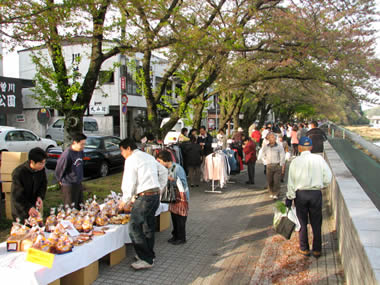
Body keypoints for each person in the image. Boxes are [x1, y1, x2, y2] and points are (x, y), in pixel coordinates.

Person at [118, 138, 168, 270]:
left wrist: (125, 201)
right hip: (154, 195)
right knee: (148, 226)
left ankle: (146, 258)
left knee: (134, 227)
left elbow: (129, 181)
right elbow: (164, 171)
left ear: (128, 148)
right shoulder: (148, 156)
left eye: (122, 151)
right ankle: (148, 255)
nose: (122, 154)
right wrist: (160, 188)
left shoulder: (131, 159)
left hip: (145, 197)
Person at [285, 137, 332, 258]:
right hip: (315, 193)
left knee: (302, 222)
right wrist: (323, 185)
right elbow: (328, 177)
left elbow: (291, 182)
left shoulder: (295, 162)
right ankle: (317, 250)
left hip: (301, 194)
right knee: (316, 222)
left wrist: (290, 197)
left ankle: (304, 248)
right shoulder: (319, 159)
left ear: (299, 148)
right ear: (311, 147)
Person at [157, 150, 190, 245]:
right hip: (173, 197)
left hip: (181, 197)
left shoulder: (177, 168)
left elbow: (183, 183)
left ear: (166, 160)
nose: (160, 164)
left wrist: (172, 180)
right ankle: (175, 235)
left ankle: (181, 237)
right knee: (174, 216)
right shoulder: (167, 169)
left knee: (180, 218)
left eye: (160, 161)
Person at [11, 147, 48, 222]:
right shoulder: (19, 173)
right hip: (21, 209)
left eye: (44, 163)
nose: (43, 165)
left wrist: (40, 196)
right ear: (32, 162)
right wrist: (28, 208)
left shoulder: (40, 170)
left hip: (33, 205)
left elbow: (43, 184)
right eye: (41, 163)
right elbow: (17, 196)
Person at [55, 133, 87, 209]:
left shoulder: (80, 152)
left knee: (80, 207)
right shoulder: (67, 154)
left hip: (78, 183)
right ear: (74, 143)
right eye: (81, 144)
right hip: (69, 185)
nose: (83, 146)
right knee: (71, 208)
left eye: (84, 144)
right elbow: (59, 169)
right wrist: (60, 180)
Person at [261, 132, 285, 199]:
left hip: (277, 165)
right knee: (270, 180)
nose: (272, 139)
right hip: (269, 165)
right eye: (271, 137)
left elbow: (282, 156)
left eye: (274, 138)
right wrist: (266, 162)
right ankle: (271, 192)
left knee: (276, 181)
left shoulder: (279, 147)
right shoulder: (266, 147)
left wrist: (281, 164)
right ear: (268, 139)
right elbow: (263, 155)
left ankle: (276, 193)